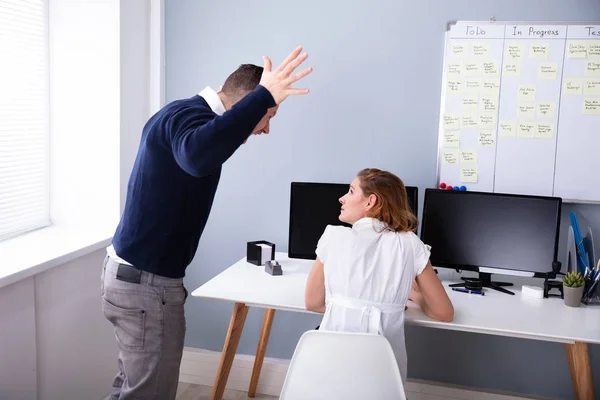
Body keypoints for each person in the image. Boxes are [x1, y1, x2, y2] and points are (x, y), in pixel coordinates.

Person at [100, 47, 312, 400]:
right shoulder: (188, 117)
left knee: (130, 390)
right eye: (268, 115)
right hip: (145, 287)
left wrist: (259, 104)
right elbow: (197, 156)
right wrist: (263, 98)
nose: (266, 129)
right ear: (246, 101)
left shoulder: (184, 115)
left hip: (132, 279)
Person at [305, 168, 453, 385]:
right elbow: (444, 313)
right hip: (383, 382)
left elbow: (312, 303)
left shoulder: (333, 236)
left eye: (351, 191)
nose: (342, 198)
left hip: (331, 377)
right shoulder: (410, 243)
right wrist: (412, 297)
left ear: (370, 201)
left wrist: (347, 309)